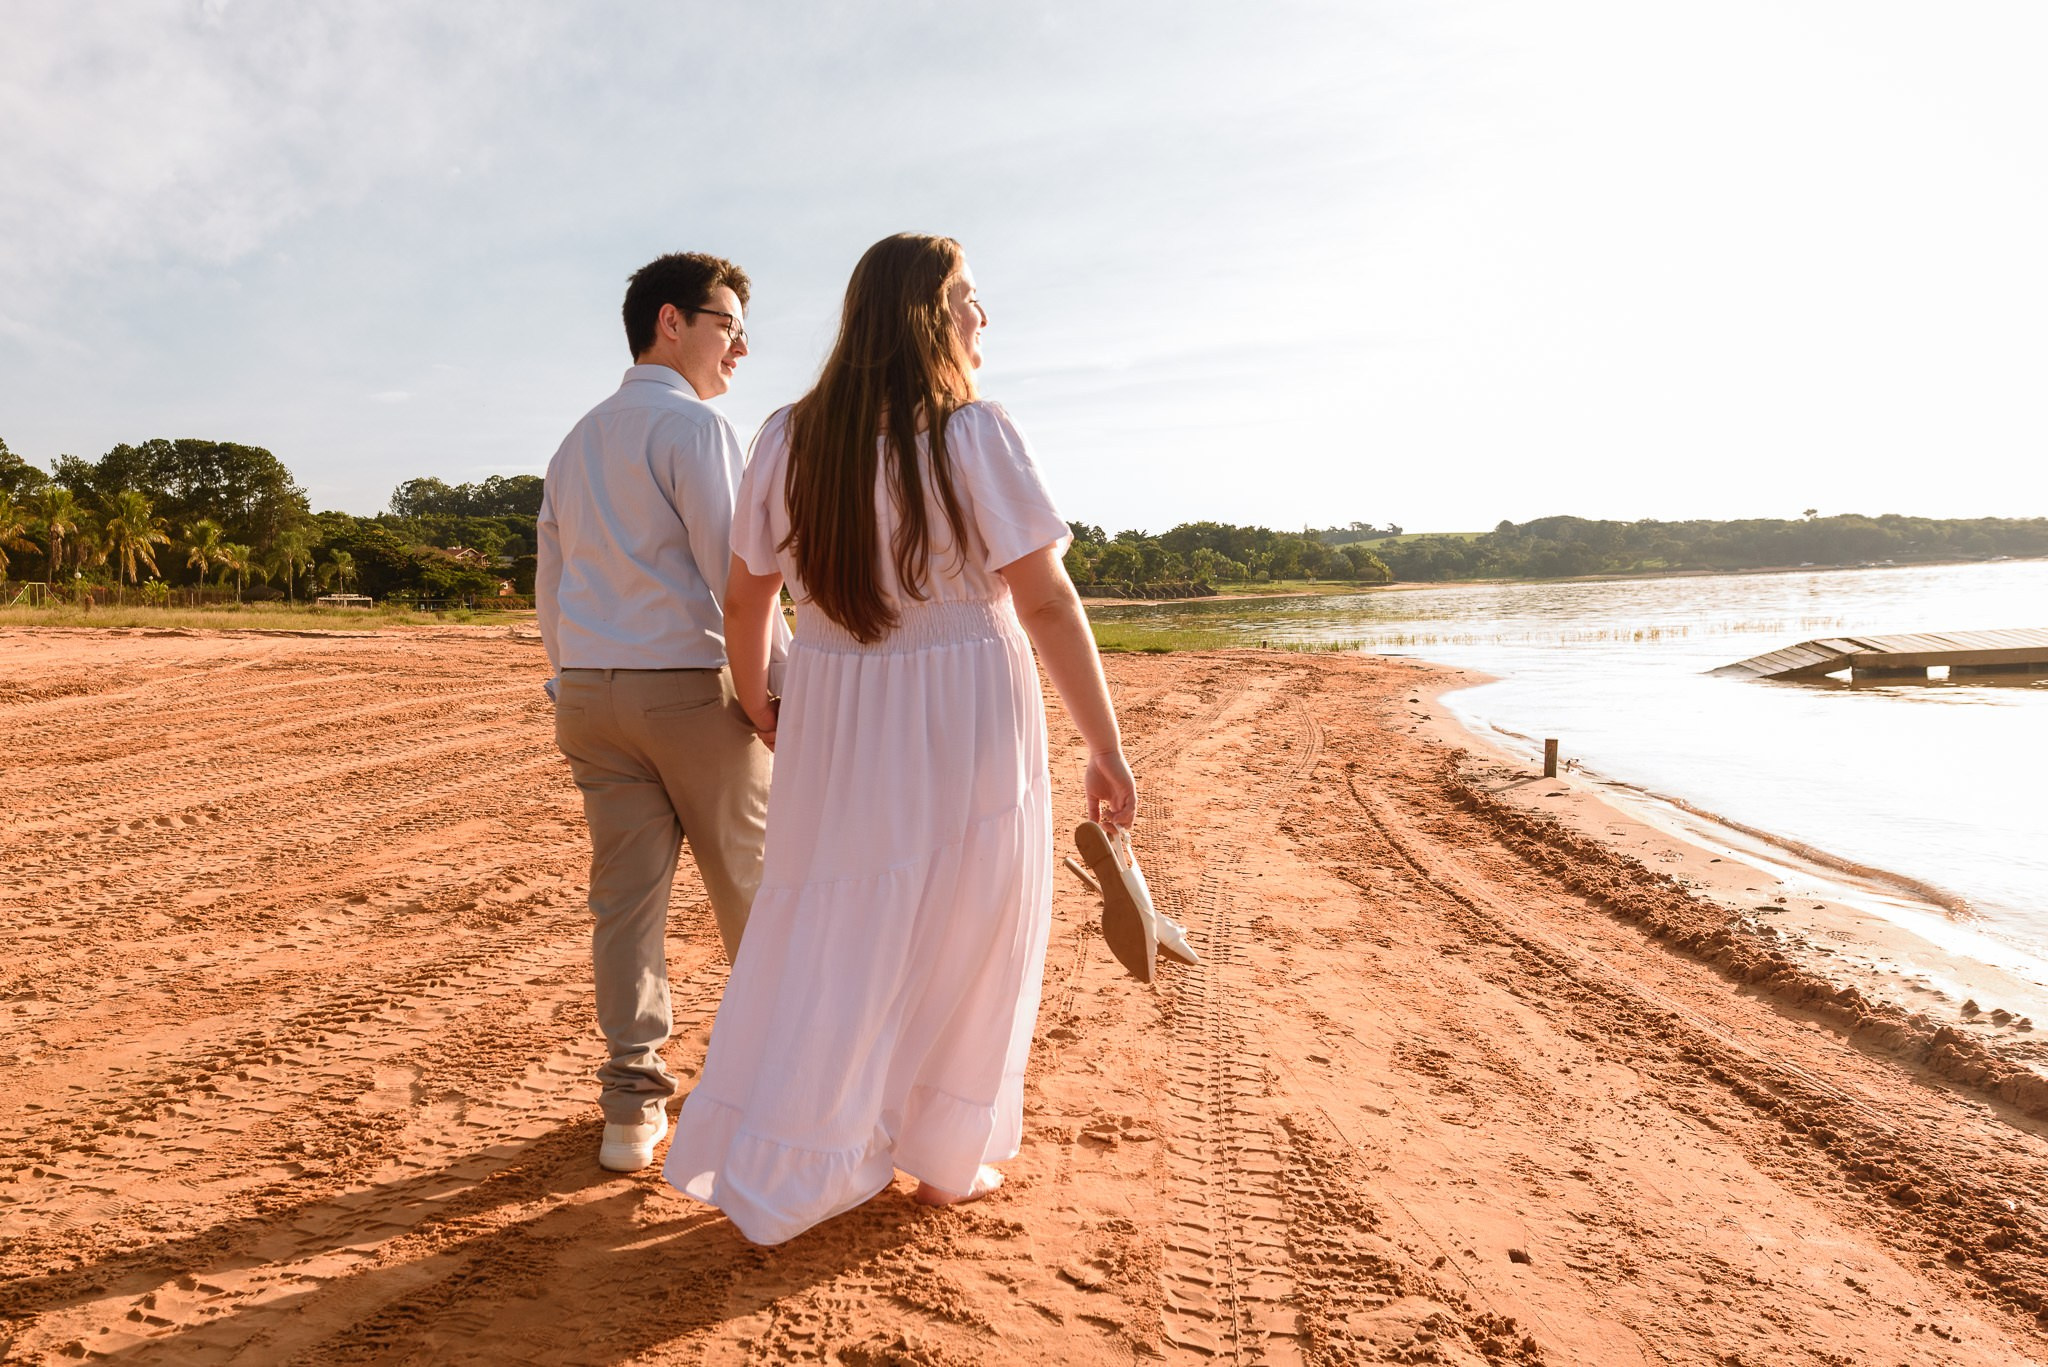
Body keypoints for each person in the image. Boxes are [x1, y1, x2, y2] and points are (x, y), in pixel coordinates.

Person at [663, 233, 1137, 1243]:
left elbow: (746, 594)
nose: (979, 317)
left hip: (835, 702)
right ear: (926, 313)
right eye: (967, 297)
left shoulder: (789, 436)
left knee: (833, 921)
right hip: (966, 695)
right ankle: (939, 1158)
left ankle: (809, 1142)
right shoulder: (973, 434)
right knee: (969, 919)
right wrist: (1103, 740)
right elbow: (1044, 599)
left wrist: (761, 699)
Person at [537, 251, 788, 1174]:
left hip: (594, 696)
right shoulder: (697, 431)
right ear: (672, 321)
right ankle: (778, 1088)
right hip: (689, 689)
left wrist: (572, 682)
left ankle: (629, 1110)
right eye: (728, 325)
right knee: (755, 892)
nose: (742, 347)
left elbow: (551, 583)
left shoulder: (576, 440)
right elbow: (742, 581)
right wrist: (777, 693)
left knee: (625, 905)